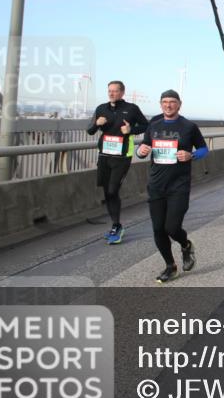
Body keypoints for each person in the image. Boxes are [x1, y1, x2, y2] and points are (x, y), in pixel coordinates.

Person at [136, 90, 207, 283]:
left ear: (179, 104)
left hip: (179, 185)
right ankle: (170, 266)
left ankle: (185, 245)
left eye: (172, 102)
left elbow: (203, 149)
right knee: (158, 229)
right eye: (165, 102)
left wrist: (191, 155)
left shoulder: (189, 126)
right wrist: (140, 151)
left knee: (172, 227)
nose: (168, 105)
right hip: (156, 185)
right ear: (161, 104)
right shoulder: (154, 124)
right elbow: (142, 148)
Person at [87, 80, 148, 245]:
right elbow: (90, 130)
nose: (111, 94)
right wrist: (96, 123)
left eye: (115, 91)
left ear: (122, 92)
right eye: (109, 91)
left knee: (113, 190)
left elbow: (146, 126)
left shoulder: (131, 109)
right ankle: (116, 226)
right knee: (107, 192)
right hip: (104, 155)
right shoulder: (101, 108)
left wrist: (131, 131)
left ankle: (117, 225)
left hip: (122, 156)